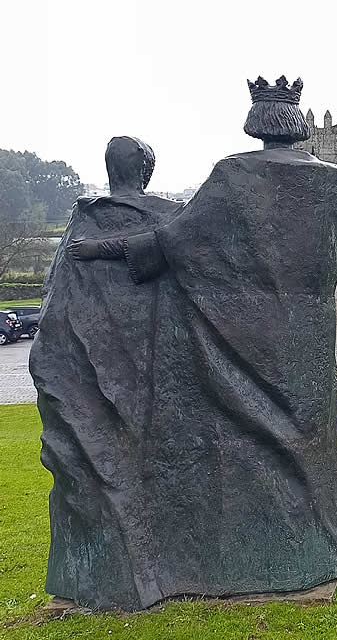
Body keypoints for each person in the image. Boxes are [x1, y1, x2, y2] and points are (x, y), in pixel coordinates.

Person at [64, 77, 337, 608]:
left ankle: (267, 551)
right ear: (296, 125)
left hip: (245, 328)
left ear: (256, 123)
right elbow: (334, 260)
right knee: (309, 435)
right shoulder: (327, 180)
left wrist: (101, 248)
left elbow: (176, 241)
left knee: (251, 434)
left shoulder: (234, 174)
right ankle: (322, 546)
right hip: (307, 329)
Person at [29, 136, 183, 610]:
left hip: (94, 355)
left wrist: (98, 251)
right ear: (147, 171)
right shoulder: (166, 214)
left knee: (107, 456)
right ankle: (145, 566)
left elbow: (54, 305)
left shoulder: (87, 218)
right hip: (142, 356)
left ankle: (135, 567)